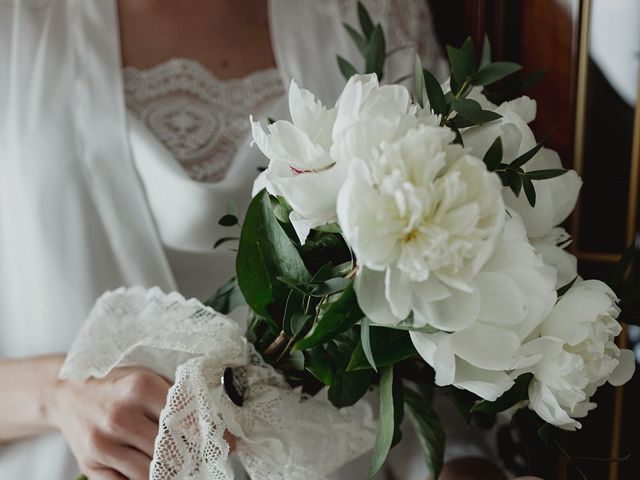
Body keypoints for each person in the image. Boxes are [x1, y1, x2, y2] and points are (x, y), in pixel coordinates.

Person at [0, 0, 532, 478]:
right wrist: (56, 396)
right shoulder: (17, 24)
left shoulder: (368, 14)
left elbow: (426, 327)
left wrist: (459, 465)